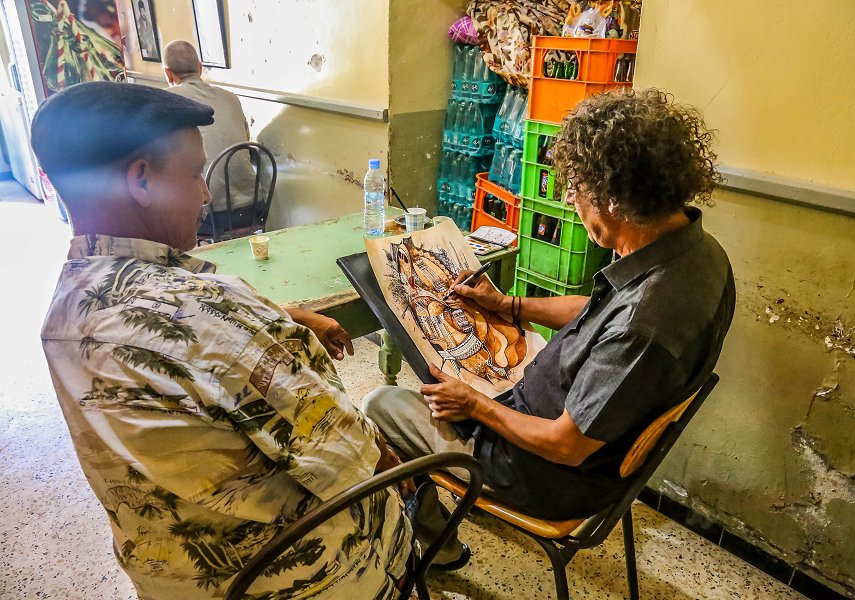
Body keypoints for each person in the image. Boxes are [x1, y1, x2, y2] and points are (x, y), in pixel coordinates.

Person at [33, 81, 411, 599]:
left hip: (172, 575)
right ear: (141, 180)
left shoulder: (63, 313)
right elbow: (348, 453)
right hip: (297, 576)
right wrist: (389, 458)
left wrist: (282, 315)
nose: (206, 194)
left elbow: (196, 340)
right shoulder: (213, 314)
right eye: (195, 175)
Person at [363, 88, 736, 565]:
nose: (569, 201)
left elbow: (566, 446)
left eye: (576, 191)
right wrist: (508, 304)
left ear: (614, 202)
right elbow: (598, 311)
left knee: (380, 403)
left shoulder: (645, 325)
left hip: (548, 471)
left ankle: (439, 547)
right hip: (572, 427)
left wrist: (475, 404)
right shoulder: (698, 253)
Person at [163, 40, 259, 236]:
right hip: (254, 206)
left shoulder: (167, 101)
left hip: (210, 214)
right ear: (200, 68)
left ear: (167, 73)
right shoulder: (231, 97)